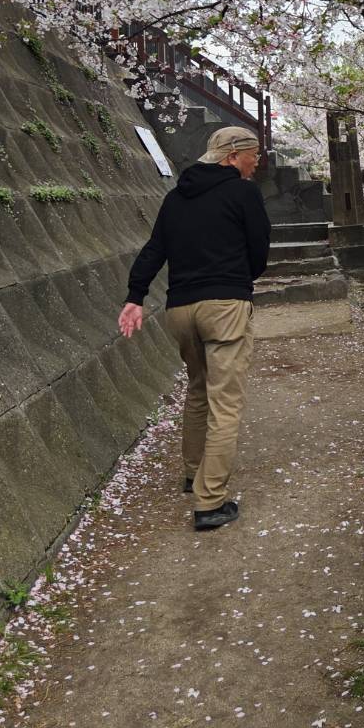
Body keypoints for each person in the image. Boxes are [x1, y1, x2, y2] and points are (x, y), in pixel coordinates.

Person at [118, 125, 271, 531]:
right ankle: (210, 501)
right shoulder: (244, 193)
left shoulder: (175, 198)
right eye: (254, 154)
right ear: (233, 156)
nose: (257, 161)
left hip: (180, 310)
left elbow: (155, 249)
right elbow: (259, 251)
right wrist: (238, 280)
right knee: (226, 403)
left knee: (199, 389)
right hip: (224, 306)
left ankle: (192, 473)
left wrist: (135, 296)